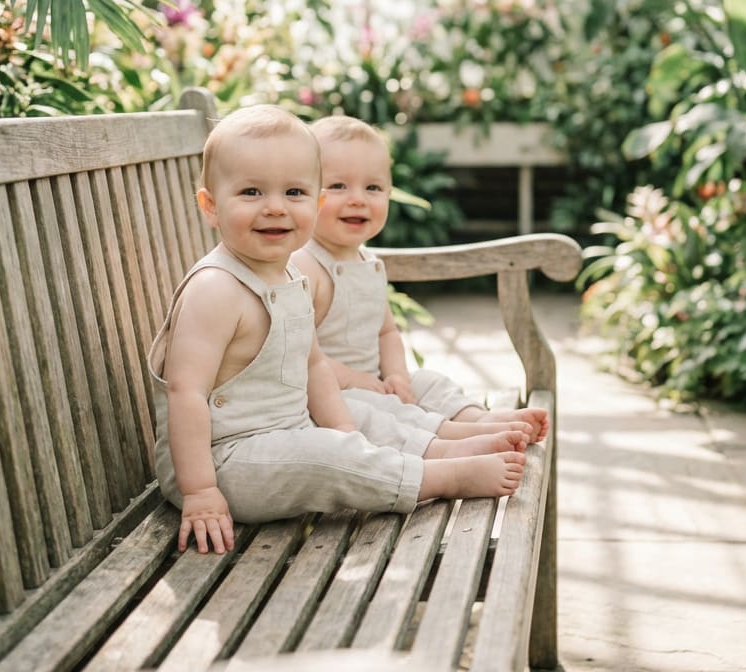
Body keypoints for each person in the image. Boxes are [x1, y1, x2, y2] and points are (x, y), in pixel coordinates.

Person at [148, 104, 527, 556]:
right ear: (211, 206)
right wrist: (200, 492)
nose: (275, 208)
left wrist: (348, 431)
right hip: (223, 462)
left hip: (283, 437)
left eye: (294, 192)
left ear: (316, 202)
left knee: (352, 427)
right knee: (330, 457)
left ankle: (445, 446)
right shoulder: (215, 288)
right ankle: (439, 478)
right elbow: (185, 394)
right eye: (251, 192)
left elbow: (313, 366)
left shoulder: (288, 277)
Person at [292, 115, 550, 444]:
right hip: (329, 399)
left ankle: (478, 419)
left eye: (373, 187)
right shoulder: (305, 265)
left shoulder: (368, 262)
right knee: (370, 410)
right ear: (305, 192)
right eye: (339, 186)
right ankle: (459, 439)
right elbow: (297, 353)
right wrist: (351, 379)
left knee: (428, 382)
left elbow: (386, 332)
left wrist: (398, 375)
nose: (358, 198)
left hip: (376, 382)